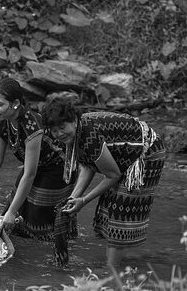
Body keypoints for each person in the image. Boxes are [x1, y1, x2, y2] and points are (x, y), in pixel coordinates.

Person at [41, 97, 166, 268]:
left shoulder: (89, 135)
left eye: (62, 128)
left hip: (146, 152)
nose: (59, 134)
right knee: (110, 209)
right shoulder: (76, 135)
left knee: (119, 210)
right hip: (123, 155)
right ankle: (116, 264)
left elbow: (113, 175)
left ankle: (111, 272)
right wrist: (73, 198)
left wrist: (84, 201)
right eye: (54, 131)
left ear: (74, 121)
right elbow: (87, 166)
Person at [0, 78, 76, 260]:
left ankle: (43, 257)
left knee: (37, 216)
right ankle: (18, 254)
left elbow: (29, 174)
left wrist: (13, 212)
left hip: (57, 168)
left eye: (0, 104)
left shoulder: (31, 125)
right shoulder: (2, 121)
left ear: (15, 104)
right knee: (12, 214)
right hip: (36, 166)